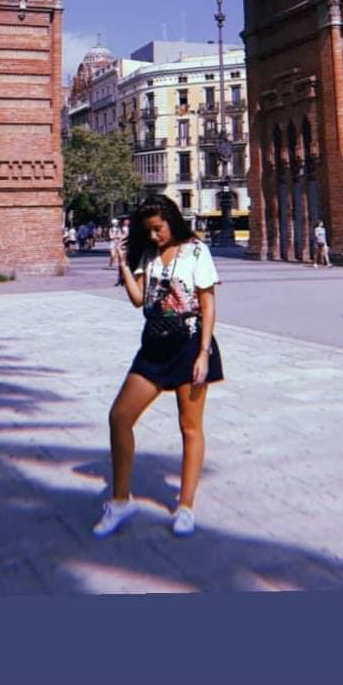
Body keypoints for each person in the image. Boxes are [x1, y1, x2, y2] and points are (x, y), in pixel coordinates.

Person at [94, 195, 224, 540]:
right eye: (148, 230)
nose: (154, 236)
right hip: (153, 346)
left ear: (171, 219)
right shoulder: (149, 254)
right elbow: (139, 300)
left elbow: (208, 306)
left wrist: (204, 353)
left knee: (190, 427)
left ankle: (185, 507)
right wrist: (123, 263)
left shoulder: (197, 251)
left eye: (158, 228)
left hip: (189, 344)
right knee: (120, 417)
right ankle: (121, 501)